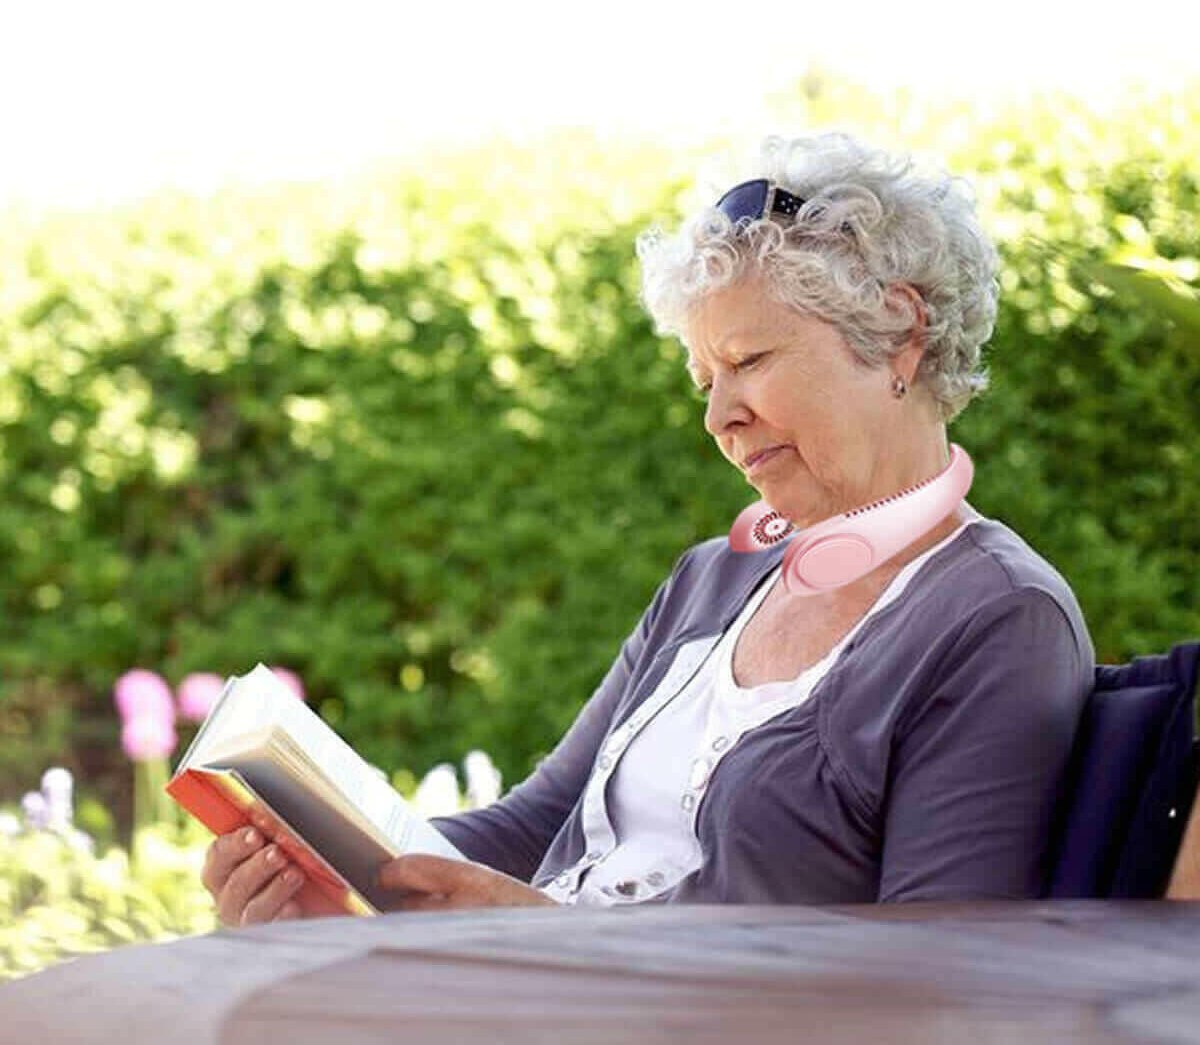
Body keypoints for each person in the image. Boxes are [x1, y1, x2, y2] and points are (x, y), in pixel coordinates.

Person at [202, 131, 1095, 925]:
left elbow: (938, 979)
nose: (720, 417)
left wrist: (555, 946)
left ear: (901, 333)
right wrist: (331, 856)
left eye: (748, 361)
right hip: (523, 1022)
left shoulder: (1000, 619)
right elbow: (530, 824)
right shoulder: (714, 580)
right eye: (705, 379)